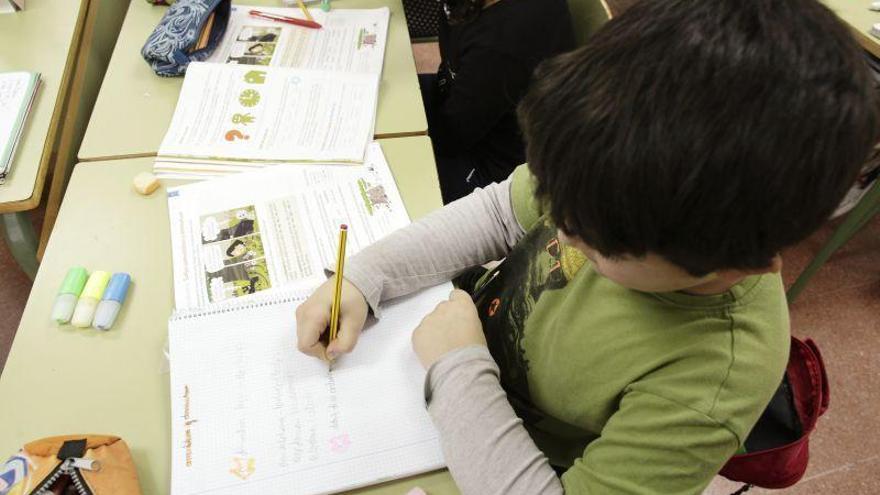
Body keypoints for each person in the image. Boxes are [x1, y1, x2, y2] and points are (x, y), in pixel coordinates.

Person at [296, 0, 880, 492]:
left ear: (736, 266)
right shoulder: (608, 177)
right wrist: (365, 276)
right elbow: (498, 211)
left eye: (598, 244)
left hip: (504, 452)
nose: (561, 227)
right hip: (448, 368)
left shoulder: (710, 382)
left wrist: (458, 367)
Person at [420, 0, 574, 203]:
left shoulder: (502, 42)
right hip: (460, 103)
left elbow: (451, 139)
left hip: (491, 169)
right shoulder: (472, 11)